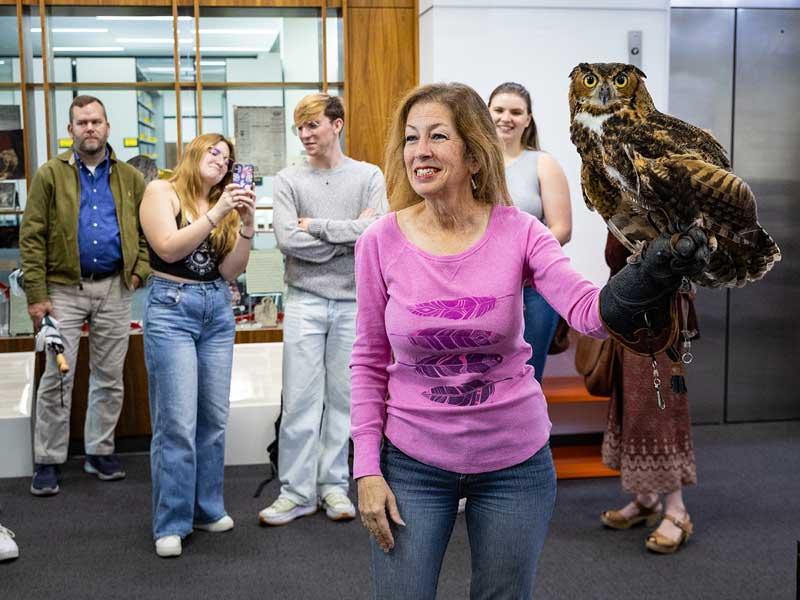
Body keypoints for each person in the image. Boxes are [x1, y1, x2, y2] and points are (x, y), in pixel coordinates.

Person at [350, 82, 709, 599]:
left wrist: (644, 278)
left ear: (474, 154)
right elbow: (367, 359)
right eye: (410, 139)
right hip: (412, 461)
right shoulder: (379, 241)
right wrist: (367, 468)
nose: (419, 151)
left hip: (514, 461)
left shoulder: (521, 231)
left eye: (436, 137)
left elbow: (588, 312)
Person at [259, 93, 387, 527]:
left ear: (338, 124)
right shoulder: (288, 180)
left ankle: (333, 486)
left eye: (313, 125)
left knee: (344, 401)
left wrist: (317, 226)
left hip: (355, 302)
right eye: (300, 127)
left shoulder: (370, 176)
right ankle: (295, 492)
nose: (305, 134)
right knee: (299, 401)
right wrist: (349, 235)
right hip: (304, 301)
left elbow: (374, 237)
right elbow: (287, 242)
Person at [20, 95, 150, 496]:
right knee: (57, 375)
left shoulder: (130, 178)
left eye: (96, 121)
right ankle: (49, 459)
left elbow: (145, 233)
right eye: (81, 123)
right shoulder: (49, 175)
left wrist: (138, 271)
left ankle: (99, 451)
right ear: (70, 130)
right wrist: (38, 296)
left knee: (110, 376)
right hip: (63, 289)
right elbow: (32, 236)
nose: (89, 128)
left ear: (107, 127)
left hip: (114, 285)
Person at [139, 133, 255, 558]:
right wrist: (217, 212)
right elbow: (167, 248)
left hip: (216, 309)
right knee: (177, 423)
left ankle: (206, 509)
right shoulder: (161, 190)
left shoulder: (224, 205)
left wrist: (245, 225)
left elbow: (229, 270)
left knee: (212, 419)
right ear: (192, 153)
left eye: (228, 159)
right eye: (214, 151)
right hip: (172, 308)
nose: (222, 161)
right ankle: (171, 521)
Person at [600, 233, 697, 554]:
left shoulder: (666, 206)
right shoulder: (629, 202)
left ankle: (676, 509)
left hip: (659, 319)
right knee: (632, 404)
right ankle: (646, 499)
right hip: (631, 314)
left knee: (658, 408)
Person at [488, 82, 572, 383]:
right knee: (486, 379)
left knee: (527, 377)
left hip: (532, 288)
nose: (505, 117)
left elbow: (561, 228)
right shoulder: (475, 164)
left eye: (515, 111)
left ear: (528, 119)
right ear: (486, 114)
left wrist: (519, 259)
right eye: (498, 110)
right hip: (483, 287)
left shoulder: (542, 163)